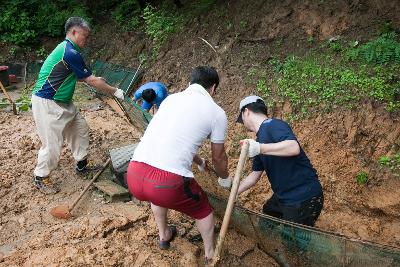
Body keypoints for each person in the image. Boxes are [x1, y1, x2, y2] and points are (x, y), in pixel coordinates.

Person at [127, 66, 231, 261]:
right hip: (166, 182)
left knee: (156, 198)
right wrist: (225, 178)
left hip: (135, 173)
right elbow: (218, 157)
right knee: (203, 210)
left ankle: (164, 235)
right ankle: (210, 254)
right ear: (213, 88)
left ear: (190, 82)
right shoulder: (217, 113)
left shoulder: (170, 100)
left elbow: (174, 140)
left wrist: (199, 161)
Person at [31, 17, 125, 194]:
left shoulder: (70, 51)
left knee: (80, 129)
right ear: (74, 32)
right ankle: (40, 176)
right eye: (85, 36)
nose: (86, 40)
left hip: (64, 101)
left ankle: (81, 166)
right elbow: (89, 79)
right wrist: (114, 91)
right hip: (48, 102)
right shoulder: (69, 51)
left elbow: (80, 76)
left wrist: (96, 81)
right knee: (52, 144)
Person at [236, 96, 323, 227]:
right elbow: (254, 176)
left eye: (242, 118)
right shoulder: (259, 139)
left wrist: (260, 148)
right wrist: (234, 191)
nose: (243, 122)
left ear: (246, 112)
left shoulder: (273, 125)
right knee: (267, 220)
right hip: (284, 197)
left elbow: (293, 147)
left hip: (303, 197)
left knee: (292, 243)